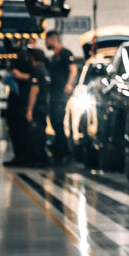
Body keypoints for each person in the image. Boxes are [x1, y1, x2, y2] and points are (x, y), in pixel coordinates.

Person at [2, 51, 44, 167]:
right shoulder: (17, 59)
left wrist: (20, 76)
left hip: (25, 101)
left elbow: (35, 80)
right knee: (14, 129)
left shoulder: (36, 67)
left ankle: (27, 157)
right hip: (14, 100)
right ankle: (19, 156)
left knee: (23, 131)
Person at [43, 32, 74, 164]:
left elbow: (73, 69)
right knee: (54, 121)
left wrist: (69, 85)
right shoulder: (53, 58)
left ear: (52, 39)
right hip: (54, 94)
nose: (45, 44)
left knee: (58, 121)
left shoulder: (65, 53)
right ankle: (60, 150)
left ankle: (63, 152)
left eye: (46, 40)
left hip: (62, 94)